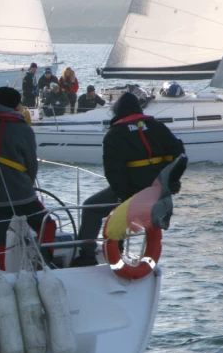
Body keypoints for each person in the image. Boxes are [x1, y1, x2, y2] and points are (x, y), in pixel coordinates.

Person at [71, 91, 186, 267]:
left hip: (133, 188)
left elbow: (113, 173)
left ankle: (87, 255)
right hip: (158, 189)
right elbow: (181, 156)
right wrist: (172, 182)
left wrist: (126, 198)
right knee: (119, 209)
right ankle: (119, 250)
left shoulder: (114, 135)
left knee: (90, 207)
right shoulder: (158, 127)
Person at [0, 87, 54, 270]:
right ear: (15, 105)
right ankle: (43, 264)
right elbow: (31, 165)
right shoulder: (22, 128)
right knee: (48, 225)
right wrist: (27, 184)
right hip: (21, 194)